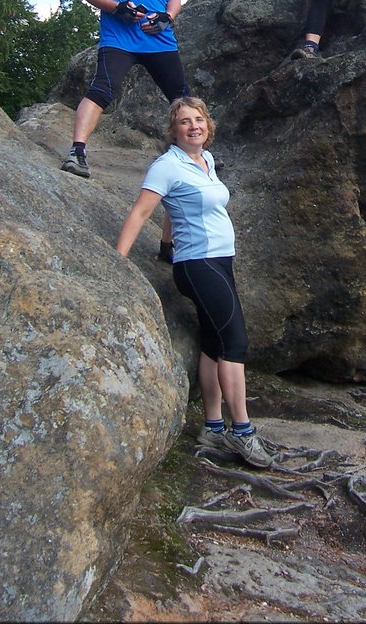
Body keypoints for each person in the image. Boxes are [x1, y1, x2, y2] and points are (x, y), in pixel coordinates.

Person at [116, 96, 273, 470]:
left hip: (219, 261)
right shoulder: (165, 166)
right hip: (199, 265)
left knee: (214, 343)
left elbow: (175, 208)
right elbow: (141, 211)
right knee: (235, 344)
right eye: (184, 122)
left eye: (198, 119)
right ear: (174, 129)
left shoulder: (205, 161)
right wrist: (117, 261)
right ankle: (242, 432)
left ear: (207, 124)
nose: (193, 126)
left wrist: (166, 245)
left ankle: (213, 426)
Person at [61, 0, 189, 260]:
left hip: (158, 39)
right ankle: (77, 152)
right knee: (103, 88)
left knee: (183, 97)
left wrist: (168, 17)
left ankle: (196, 153)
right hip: (119, 37)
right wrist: (117, 7)